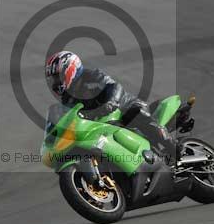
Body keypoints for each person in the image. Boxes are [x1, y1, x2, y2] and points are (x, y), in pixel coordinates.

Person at [45, 50, 180, 164]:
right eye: (52, 80)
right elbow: (66, 119)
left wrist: (111, 102)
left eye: (57, 77)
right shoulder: (68, 100)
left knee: (136, 114)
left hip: (123, 108)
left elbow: (114, 87)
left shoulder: (91, 76)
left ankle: (175, 149)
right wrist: (53, 136)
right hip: (102, 124)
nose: (55, 83)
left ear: (69, 69)